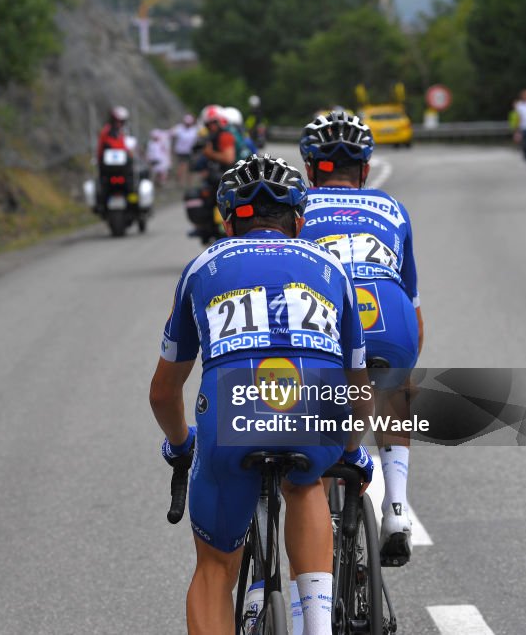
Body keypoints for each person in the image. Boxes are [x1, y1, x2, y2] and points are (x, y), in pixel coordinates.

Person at [150, 154, 375, 635]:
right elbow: (359, 388)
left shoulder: (202, 265)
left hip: (230, 412)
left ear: (229, 221)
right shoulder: (330, 266)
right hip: (314, 403)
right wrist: (353, 454)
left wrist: (181, 444)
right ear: (298, 219)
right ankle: (317, 625)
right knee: (307, 480)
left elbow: (163, 392)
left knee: (214, 570)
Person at [297, 112, 423, 566]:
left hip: (329, 321)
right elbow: (414, 307)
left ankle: (321, 537)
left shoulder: (296, 210)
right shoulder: (391, 208)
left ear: (310, 168)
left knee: (320, 417)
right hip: (392, 319)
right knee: (397, 386)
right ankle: (396, 509)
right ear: (365, 170)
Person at [96, 106, 133, 212]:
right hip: (109, 167)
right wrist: (100, 160)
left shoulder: (123, 132)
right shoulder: (106, 131)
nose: (119, 123)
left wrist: (130, 154)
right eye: (117, 121)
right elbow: (100, 148)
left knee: (131, 182)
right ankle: (102, 204)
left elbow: (127, 146)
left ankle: (132, 201)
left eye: (121, 121)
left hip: (123, 167)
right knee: (103, 183)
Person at [172, 114, 199, 186]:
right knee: (182, 166)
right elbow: (171, 134)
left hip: (190, 151)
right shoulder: (179, 128)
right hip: (181, 151)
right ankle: (180, 181)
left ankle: (188, 182)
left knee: (190, 167)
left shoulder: (194, 130)